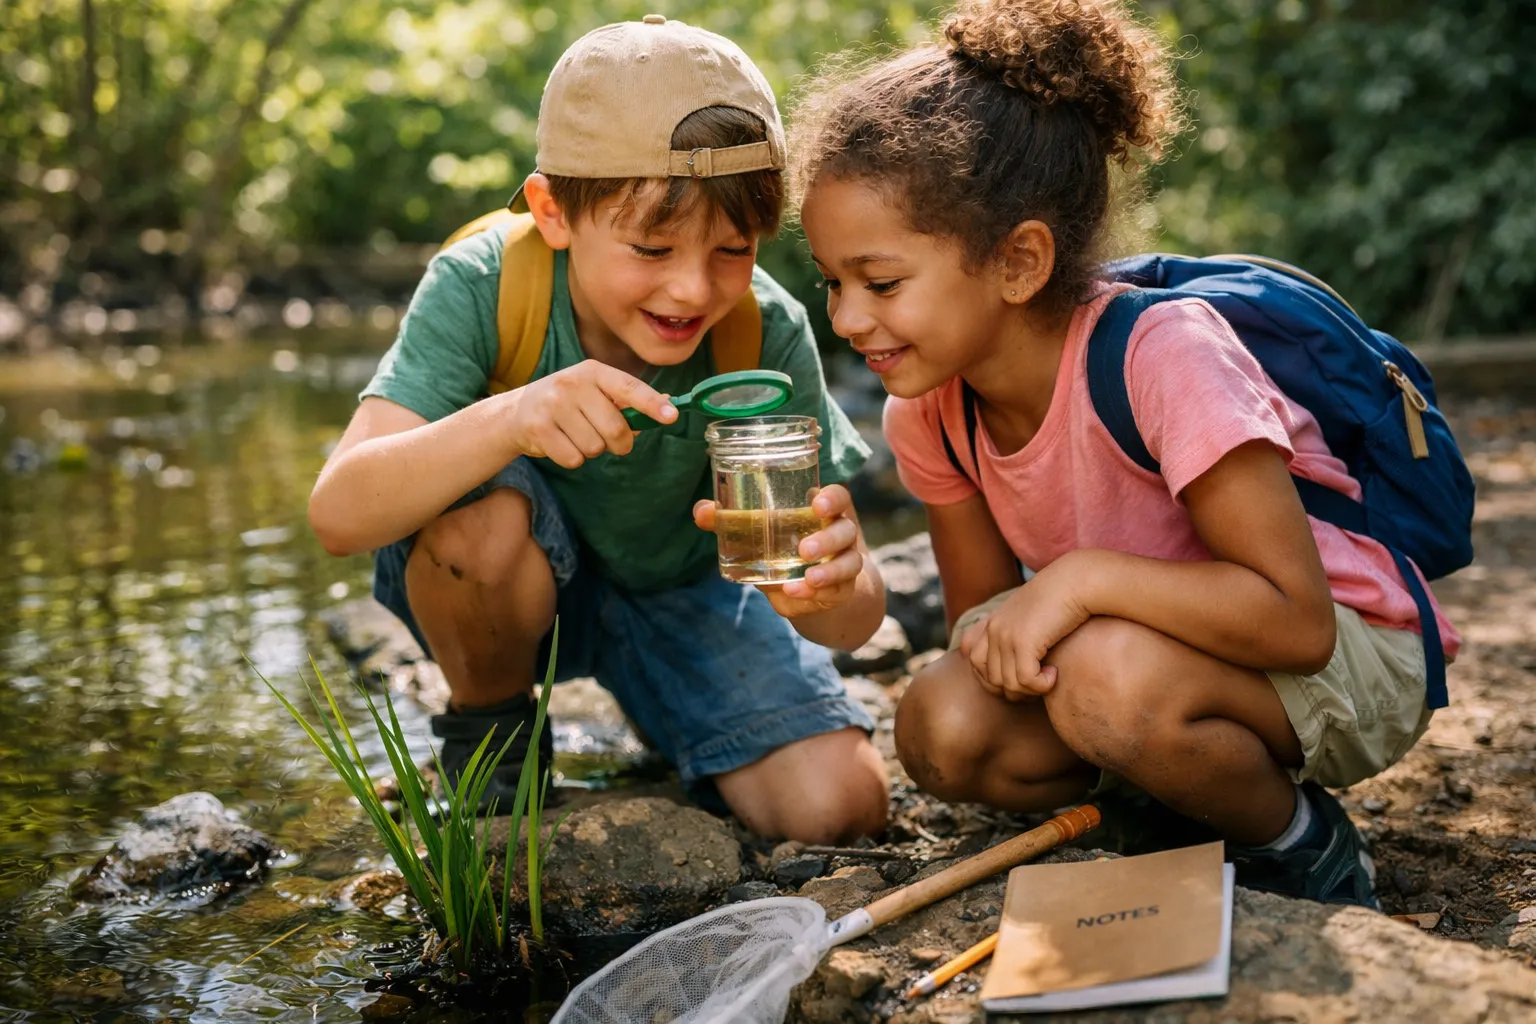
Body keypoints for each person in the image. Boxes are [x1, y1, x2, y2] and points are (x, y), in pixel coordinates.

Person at [791, 0, 1459, 905]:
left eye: (881, 282)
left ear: (1022, 262)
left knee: (1107, 677)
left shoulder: (1161, 355)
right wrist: (964, 623)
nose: (846, 318)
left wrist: (1075, 584)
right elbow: (981, 620)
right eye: (832, 281)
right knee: (942, 723)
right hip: (1152, 663)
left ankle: (1303, 843)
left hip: (1348, 651)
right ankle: (1180, 801)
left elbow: (1294, 621)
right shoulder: (933, 409)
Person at [308, 16, 890, 843]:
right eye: (652, 248)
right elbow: (338, 513)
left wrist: (839, 585)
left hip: (687, 596)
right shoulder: (482, 288)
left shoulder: (764, 331)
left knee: (839, 809)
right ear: (553, 211)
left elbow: (847, 619)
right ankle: (496, 730)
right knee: (477, 512)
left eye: (732, 249)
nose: (693, 289)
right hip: (510, 591)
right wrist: (511, 417)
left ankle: (670, 704)